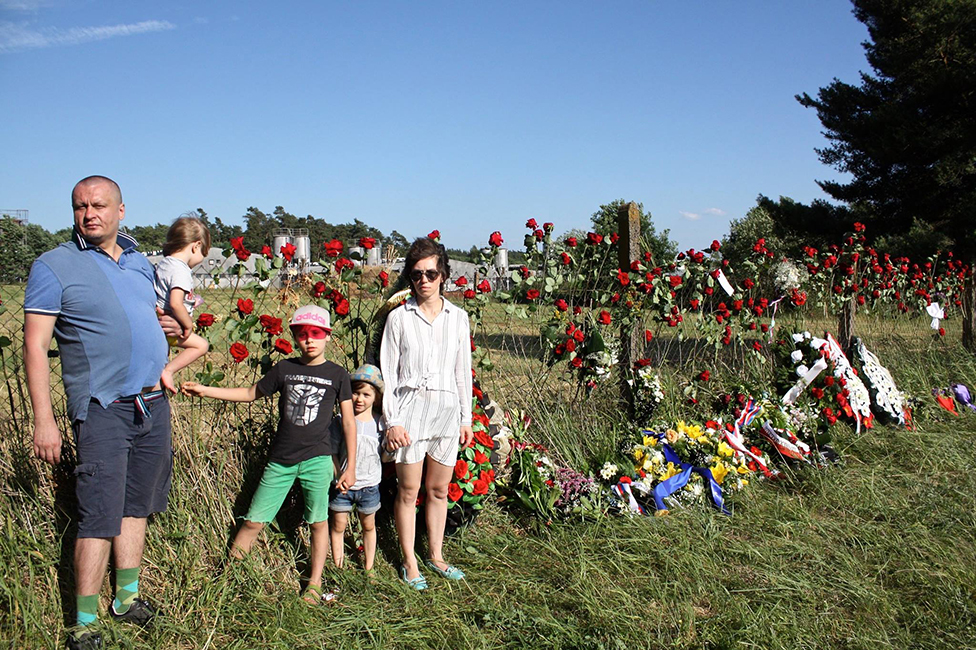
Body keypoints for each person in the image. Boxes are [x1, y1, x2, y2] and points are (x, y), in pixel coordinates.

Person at [24, 176, 173, 650]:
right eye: (80, 206)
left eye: (99, 205)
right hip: (102, 408)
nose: (90, 213)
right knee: (98, 516)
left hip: (152, 405)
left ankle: (125, 601)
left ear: (121, 210)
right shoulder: (54, 266)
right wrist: (43, 420)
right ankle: (84, 625)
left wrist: (164, 325)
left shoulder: (138, 264)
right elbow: (35, 344)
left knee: (136, 508)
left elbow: (142, 320)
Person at [181, 304, 357, 604]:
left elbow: (349, 422)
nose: (309, 340)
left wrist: (350, 466)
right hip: (281, 460)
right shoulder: (284, 369)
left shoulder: (337, 375)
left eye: (316, 334)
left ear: (327, 336)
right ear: (295, 337)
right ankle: (226, 579)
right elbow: (251, 394)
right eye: (302, 334)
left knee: (317, 522)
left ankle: (314, 584)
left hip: (318, 460)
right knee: (253, 521)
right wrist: (207, 390)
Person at [380, 237, 473, 590]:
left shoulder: (458, 318)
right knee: (408, 490)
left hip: (447, 411)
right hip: (411, 411)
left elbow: (463, 371)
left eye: (431, 273)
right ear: (410, 277)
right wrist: (393, 421)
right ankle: (409, 561)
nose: (424, 281)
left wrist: (466, 417)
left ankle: (436, 554)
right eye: (416, 274)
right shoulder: (399, 319)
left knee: (438, 489)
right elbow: (388, 373)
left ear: (444, 275)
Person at [329, 364, 386, 573]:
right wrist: (338, 476)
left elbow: (385, 454)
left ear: (376, 397)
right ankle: (338, 566)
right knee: (338, 525)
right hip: (342, 486)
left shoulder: (380, 423)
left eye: (366, 394)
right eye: (355, 392)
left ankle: (369, 568)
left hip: (369, 485)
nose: (359, 399)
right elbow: (331, 452)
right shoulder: (340, 421)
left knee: (368, 526)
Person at [153, 216, 211, 393]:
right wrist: (188, 325)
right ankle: (169, 371)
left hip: (158, 322)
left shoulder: (164, 265)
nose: (201, 258)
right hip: (170, 325)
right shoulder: (181, 270)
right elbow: (176, 303)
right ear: (196, 246)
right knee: (202, 345)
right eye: (204, 253)